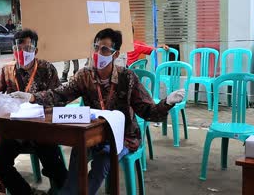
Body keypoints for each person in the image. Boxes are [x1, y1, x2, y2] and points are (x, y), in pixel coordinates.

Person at [10, 28, 185, 194]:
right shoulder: (85, 75)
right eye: (96, 47)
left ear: (115, 54)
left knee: (103, 160)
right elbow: (60, 94)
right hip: (93, 134)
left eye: (104, 49)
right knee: (77, 152)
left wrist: (167, 103)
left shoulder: (127, 77)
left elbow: (148, 111)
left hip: (122, 137)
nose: (98, 53)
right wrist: (32, 98)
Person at [0, 29, 68, 195]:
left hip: (42, 131)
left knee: (54, 165)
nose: (23, 53)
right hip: (16, 132)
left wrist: (33, 98)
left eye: (28, 49)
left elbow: (60, 98)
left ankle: (64, 190)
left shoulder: (47, 69)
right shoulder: (6, 70)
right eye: (19, 48)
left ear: (36, 51)